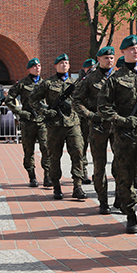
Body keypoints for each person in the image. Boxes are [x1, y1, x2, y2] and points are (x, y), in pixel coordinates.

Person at [99, 35, 137, 231]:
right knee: (124, 176)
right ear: (123, 52)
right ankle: (131, 214)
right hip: (125, 135)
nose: (136, 51)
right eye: (131, 48)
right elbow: (103, 107)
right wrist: (122, 120)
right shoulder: (115, 79)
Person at [31, 54, 87, 201]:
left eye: (67, 63)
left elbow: (82, 100)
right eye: (61, 63)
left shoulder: (75, 83)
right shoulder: (48, 83)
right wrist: (46, 111)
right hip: (55, 125)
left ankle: (78, 186)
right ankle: (56, 186)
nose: (64, 65)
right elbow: (33, 100)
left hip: (73, 124)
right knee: (54, 157)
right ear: (55, 66)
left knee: (78, 154)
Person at [73, 46, 116, 214]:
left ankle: (120, 197)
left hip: (117, 126)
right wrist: (90, 115)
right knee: (99, 166)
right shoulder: (90, 79)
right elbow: (77, 101)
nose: (109, 60)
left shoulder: (118, 77)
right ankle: (103, 200)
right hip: (98, 127)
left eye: (112, 57)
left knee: (121, 165)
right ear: (99, 59)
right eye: (106, 58)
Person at [4, 58, 52, 188]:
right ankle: (32, 177)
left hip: (42, 121)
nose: (37, 68)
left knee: (46, 149)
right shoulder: (22, 84)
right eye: (35, 66)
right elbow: (8, 99)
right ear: (29, 69)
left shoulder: (45, 83)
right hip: (28, 122)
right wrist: (20, 112)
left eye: (39, 66)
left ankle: (47, 177)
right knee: (28, 151)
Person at [77, 57, 99, 184]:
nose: (92, 70)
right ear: (84, 69)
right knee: (82, 146)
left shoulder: (97, 81)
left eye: (94, 68)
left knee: (96, 147)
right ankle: (83, 172)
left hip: (95, 119)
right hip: (83, 120)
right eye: (89, 69)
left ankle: (97, 173)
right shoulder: (80, 82)